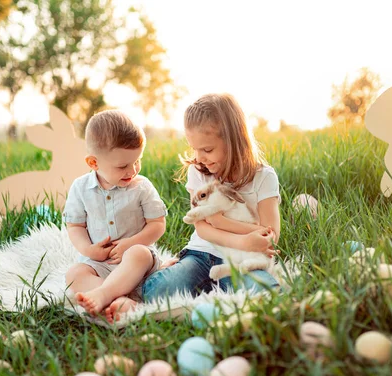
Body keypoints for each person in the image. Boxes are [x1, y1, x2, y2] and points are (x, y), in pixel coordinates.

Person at [142, 93, 281, 303]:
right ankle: (205, 289)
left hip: (240, 260)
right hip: (201, 254)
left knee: (266, 294)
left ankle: (212, 291)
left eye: (207, 149)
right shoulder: (199, 173)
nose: (199, 158)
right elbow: (202, 228)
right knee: (156, 291)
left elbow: (270, 235)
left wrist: (220, 222)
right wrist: (243, 239)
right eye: (194, 149)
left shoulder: (264, 177)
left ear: (234, 140)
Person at [63, 110, 167, 323]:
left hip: (136, 265)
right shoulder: (80, 188)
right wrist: (88, 250)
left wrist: (131, 243)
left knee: (139, 253)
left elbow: (157, 224)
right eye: (122, 166)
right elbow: (75, 226)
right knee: (73, 275)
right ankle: (121, 300)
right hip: (100, 264)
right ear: (94, 163)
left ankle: (104, 295)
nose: (132, 171)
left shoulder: (142, 187)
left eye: (137, 161)